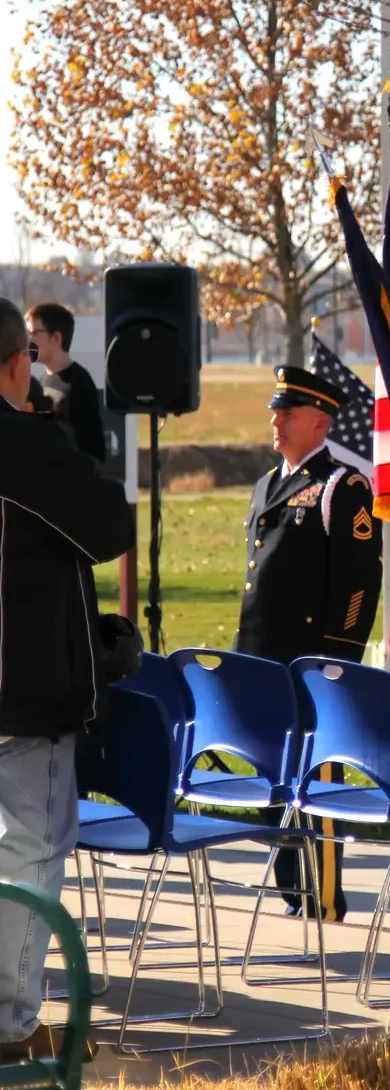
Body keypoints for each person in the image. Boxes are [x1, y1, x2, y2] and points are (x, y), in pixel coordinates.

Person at [0, 297, 134, 1060]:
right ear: (20, 364)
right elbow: (109, 524)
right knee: (29, 854)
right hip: (21, 689)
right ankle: (10, 1028)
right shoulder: (22, 444)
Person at [234, 365, 383, 921]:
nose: (275, 420)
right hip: (262, 660)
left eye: (288, 413)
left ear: (319, 422)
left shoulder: (344, 487)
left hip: (310, 665)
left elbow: (358, 584)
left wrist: (334, 660)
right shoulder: (267, 483)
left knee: (315, 781)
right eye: (276, 411)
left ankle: (322, 897)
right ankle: (291, 893)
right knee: (275, 782)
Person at [25, 303, 106, 462]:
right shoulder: (42, 381)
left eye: (34, 333)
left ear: (56, 338)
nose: (29, 340)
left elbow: (94, 451)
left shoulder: (79, 384)